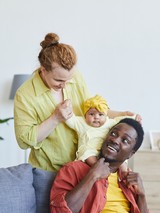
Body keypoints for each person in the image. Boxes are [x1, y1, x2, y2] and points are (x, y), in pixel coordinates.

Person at [14, 32, 139, 171]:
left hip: (83, 168)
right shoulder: (25, 95)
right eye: (59, 80)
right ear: (43, 70)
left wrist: (122, 114)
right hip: (49, 171)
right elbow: (24, 141)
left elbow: (92, 110)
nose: (65, 84)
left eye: (69, 79)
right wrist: (55, 118)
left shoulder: (76, 77)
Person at [65, 94, 140, 170]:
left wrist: (134, 117)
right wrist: (66, 108)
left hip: (106, 149)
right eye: (91, 114)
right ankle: (98, 167)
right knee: (86, 153)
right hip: (90, 150)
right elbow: (71, 120)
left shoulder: (109, 122)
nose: (96, 117)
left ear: (106, 115)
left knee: (122, 159)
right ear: (85, 115)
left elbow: (122, 121)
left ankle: (124, 172)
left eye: (100, 114)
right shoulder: (82, 122)